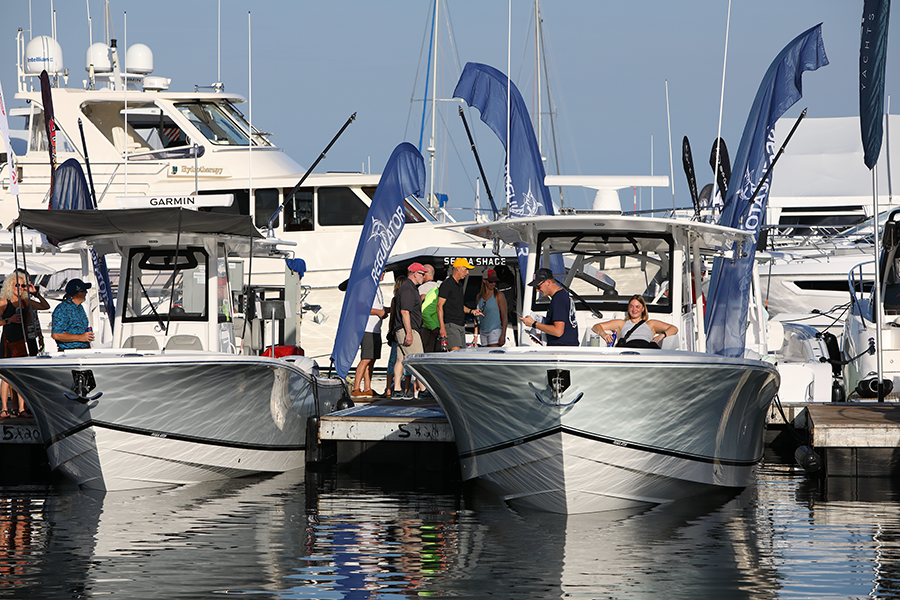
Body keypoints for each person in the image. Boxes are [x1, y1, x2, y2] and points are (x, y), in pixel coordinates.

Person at [0, 270, 50, 419]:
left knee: (23, 375)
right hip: (8, 341)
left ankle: (21, 408)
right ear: (10, 286)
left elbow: (45, 306)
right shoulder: (4, 301)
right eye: (17, 285)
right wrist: (9, 320)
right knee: (6, 377)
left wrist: (35, 293)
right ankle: (4, 408)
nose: (20, 288)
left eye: (23, 286)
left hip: (23, 341)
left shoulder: (25, 301)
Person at [392, 263, 428, 399]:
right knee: (418, 360)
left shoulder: (409, 288)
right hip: (408, 329)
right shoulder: (408, 289)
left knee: (400, 359)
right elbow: (405, 312)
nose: (423, 277)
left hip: (403, 329)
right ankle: (424, 390)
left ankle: (396, 389)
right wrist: (409, 333)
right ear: (414, 273)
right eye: (421, 273)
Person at [519, 267, 579, 346]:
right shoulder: (563, 294)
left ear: (548, 282)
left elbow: (558, 332)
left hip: (562, 351)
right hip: (568, 348)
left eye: (538, 287)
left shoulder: (558, 300)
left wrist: (533, 324)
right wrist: (543, 335)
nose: (537, 290)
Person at [592, 294, 678, 348]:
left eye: (637, 307)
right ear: (628, 307)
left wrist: (661, 335)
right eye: (631, 306)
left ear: (643, 309)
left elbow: (674, 328)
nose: (634, 310)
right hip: (628, 350)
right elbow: (596, 326)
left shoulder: (650, 324)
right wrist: (604, 335)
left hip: (646, 351)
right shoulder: (621, 323)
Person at [351, 273, 387, 398]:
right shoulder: (367, 287)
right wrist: (378, 312)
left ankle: (367, 387)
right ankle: (356, 387)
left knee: (372, 359)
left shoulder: (377, 288)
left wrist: (387, 309)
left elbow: (377, 306)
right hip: (367, 328)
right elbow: (359, 307)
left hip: (376, 329)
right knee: (366, 358)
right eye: (382, 272)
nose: (384, 275)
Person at [437, 258, 483, 351]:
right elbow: (439, 306)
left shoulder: (459, 285)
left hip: (461, 325)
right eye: (466, 269)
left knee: (461, 354)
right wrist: (442, 327)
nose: (467, 273)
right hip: (451, 324)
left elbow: (459, 306)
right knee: (455, 354)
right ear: (458, 268)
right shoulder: (447, 284)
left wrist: (472, 311)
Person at [51, 279, 95, 351]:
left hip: (83, 350)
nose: (86, 293)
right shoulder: (62, 309)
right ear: (78, 294)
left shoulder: (79, 307)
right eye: (84, 291)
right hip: (70, 353)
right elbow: (56, 335)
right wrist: (81, 337)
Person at [475, 269, 507, 347]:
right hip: (483, 331)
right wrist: (475, 335)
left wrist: (503, 335)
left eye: (495, 281)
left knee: (494, 355)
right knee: (485, 357)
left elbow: (504, 316)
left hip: (495, 330)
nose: (493, 283)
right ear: (484, 281)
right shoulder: (479, 297)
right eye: (490, 281)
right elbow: (477, 317)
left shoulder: (499, 295)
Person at [418, 264, 441, 352]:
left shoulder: (422, 288)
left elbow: (422, 310)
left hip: (427, 327)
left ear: (425, 274)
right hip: (438, 326)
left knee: (426, 353)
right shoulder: (439, 286)